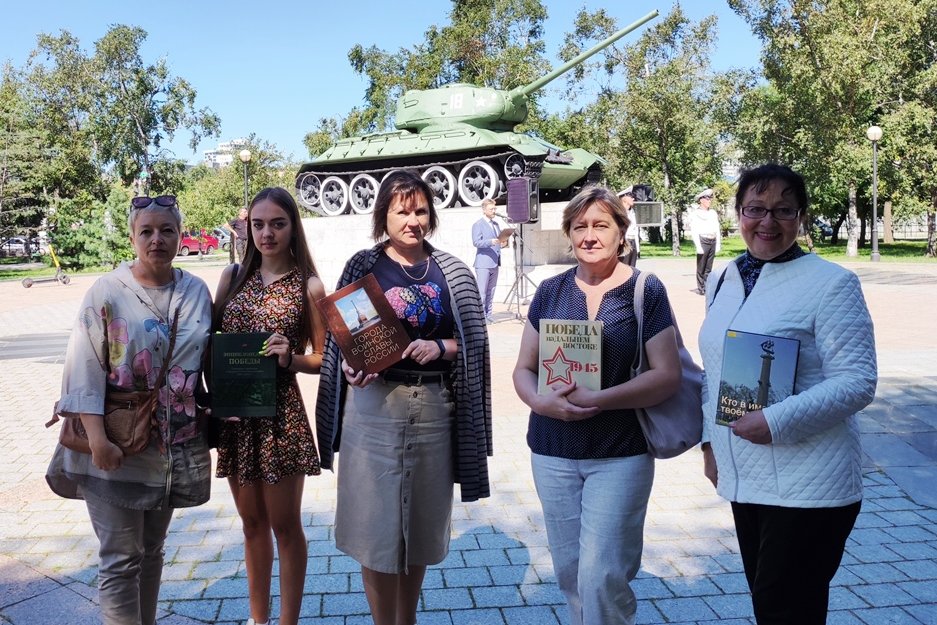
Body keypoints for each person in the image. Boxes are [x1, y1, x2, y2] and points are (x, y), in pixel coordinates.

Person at [698, 164, 877, 625]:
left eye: (783, 210)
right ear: (738, 213)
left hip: (810, 483)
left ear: (800, 217)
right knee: (770, 605)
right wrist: (709, 444)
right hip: (746, 476)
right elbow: (714, 370)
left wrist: (775, 421)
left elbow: (857, 381)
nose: (768, 222)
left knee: (785, 609)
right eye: (755, 209)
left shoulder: (831, 283)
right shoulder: (724, 279)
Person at [315, 170, 492, 625]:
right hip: (373, 411)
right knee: (375, 531)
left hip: (434, 409)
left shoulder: (453, 271)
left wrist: (441, 347)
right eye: (402, 211)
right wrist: (351, 367)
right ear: (384, 216)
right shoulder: (363, 266)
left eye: (420, 211)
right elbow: (342, 340)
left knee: (418, 529)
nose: (413, 220)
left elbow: (474, 341)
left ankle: (406, 619)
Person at [512, 186, 682, 625]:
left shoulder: (644, 289)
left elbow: (667, 375)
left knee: (603, 573)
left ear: (621, 233)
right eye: (580, 226)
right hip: (553, 449)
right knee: (571, 572)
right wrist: (540, 402)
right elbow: (523, 370)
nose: (589, 235)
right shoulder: (550, 291)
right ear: (569, 233)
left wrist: (601, 399)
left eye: (601, 225)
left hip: (620, 451)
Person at [46, 194, 213, 625]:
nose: (157, 239)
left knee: (152, 551)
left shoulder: (196, 291)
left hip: (170, 448)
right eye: (147, 231)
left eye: (167, 230)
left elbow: (206, 359)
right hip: (115, 445)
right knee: (121, 558)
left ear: (180, 235)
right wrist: (97, 441)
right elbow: (83, 365)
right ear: (132, 237)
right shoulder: (107, 291)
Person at [213, 187, 326, 625]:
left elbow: (324, 358)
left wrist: (290, 358)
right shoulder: (232, 277)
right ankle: (257, 619)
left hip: (281, 418)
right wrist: (213, 398)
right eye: (258, 225)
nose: (266, 234)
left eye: (277, 224)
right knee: (251, 523)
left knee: (285, 525)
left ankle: (287, 622)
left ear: (293, 227)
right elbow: (210, 347)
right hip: (237, 416)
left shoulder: (308, 285)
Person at [471, 197, 503, 322]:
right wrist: (490, 242)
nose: (494, 211)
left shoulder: (496, 224)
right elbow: (476, 242)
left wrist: (503, 243)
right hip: (483, 263)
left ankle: (489, 315)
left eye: (495, 208)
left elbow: (498, 241)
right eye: (491, 209)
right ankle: (481, 317)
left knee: (491, 291)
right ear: (484, 210)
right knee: (482, 292)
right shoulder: (478, 225)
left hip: (495, 262)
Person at [689, 188, 721, 295]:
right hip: (703, 240)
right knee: (701, 267)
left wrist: (718, 243)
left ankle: (707, 287)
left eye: (710, 199)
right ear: (701, 200)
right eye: (707, 199)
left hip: (712, 240)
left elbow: (717, 228)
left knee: (709, 267)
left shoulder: (712, 213)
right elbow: (694, 231)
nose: (709, 201)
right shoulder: (695, 214)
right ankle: (701, 287)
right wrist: (698, 246)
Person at [618, 186, 640, 266]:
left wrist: (637, 247)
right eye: (631, 196)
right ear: (624, 198)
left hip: (633, 242)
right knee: (623, 267)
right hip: (624, 242)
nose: (633, 198)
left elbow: (635, 230)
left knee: (632, 269)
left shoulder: (632, 212)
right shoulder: (619, 213)